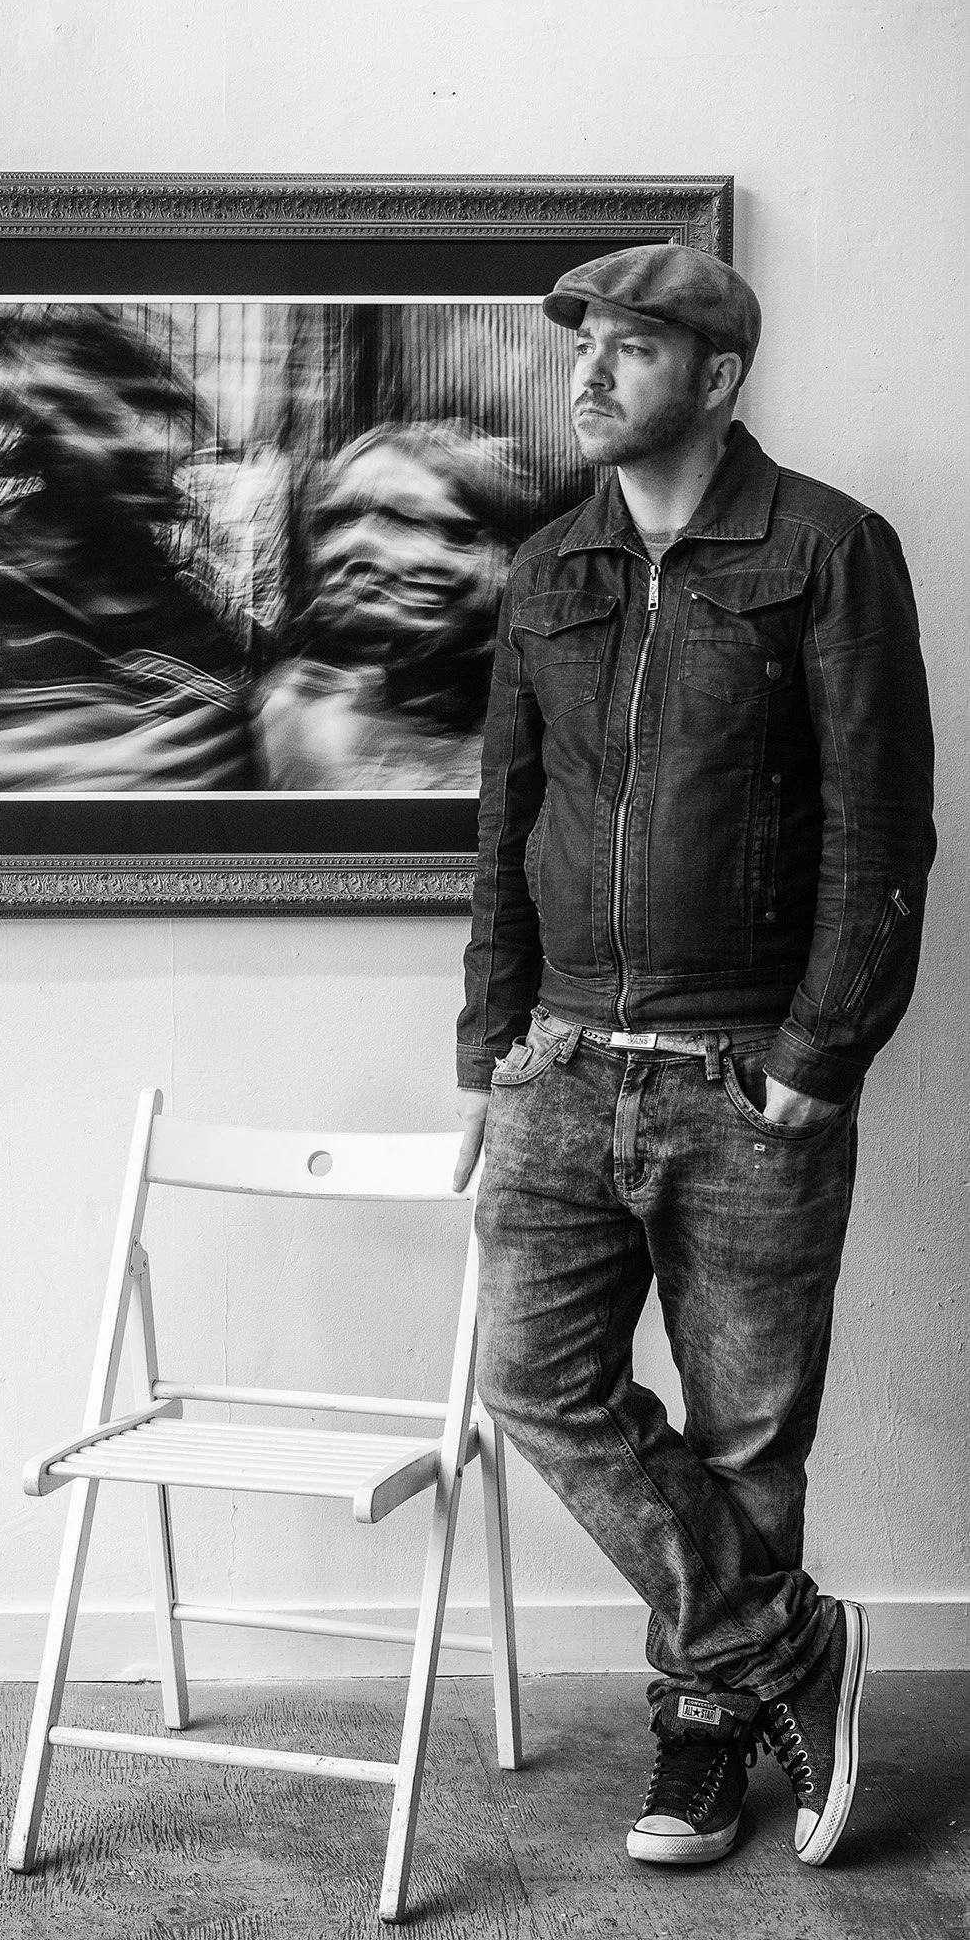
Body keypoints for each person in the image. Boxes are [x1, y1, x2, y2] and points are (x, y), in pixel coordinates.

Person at [453, 244, 935, 1870]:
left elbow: (883, 824)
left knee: (744, 1436)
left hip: (744, 1071)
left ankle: (701, 1740)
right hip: (561, 1060)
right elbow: (502, 818)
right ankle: (783, 1642)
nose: (586, 372)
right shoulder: (549, 569)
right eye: (580, 344)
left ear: (717, 378)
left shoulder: (824, 551)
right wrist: (484, 1045)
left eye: (633, 346)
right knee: (533, 1381)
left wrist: (819, 1048)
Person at [0, 311, 257, 793]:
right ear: (41, 441)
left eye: (146, 409)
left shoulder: (205, 633)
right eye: (88, 416)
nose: (137, 439)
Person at [255, 423, 519, 790]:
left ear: (497, 557)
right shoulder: (291, 719)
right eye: (336, 522)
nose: (351, 545)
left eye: (404, 519)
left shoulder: (559, 728)